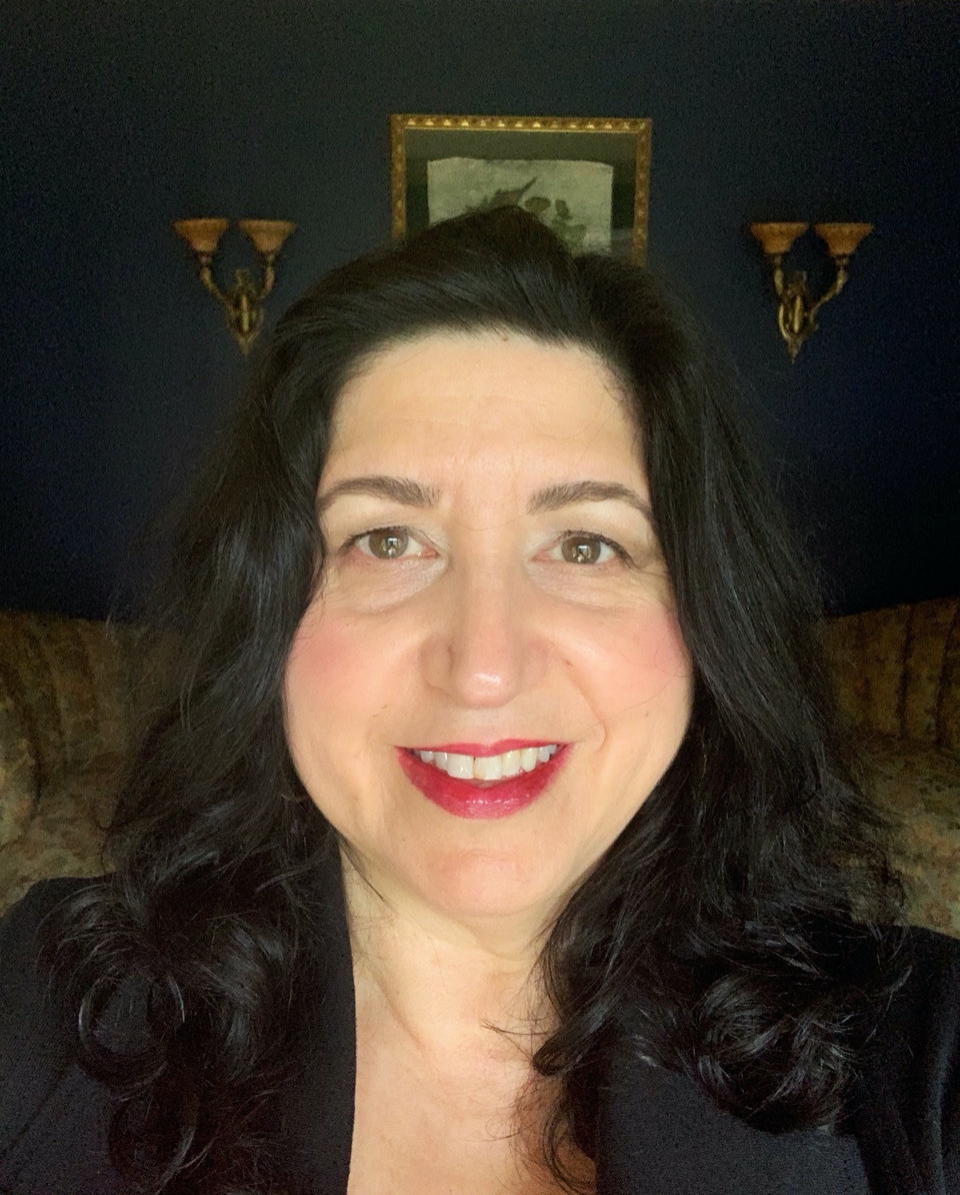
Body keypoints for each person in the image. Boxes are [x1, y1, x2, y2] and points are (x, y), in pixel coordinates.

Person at [1, 207, 957, 1195]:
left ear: (706, 612)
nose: (484, 668)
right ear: (268, 614)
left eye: (585, 545)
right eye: (386, 541)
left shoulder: (919, 1056)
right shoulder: (47, 1009)